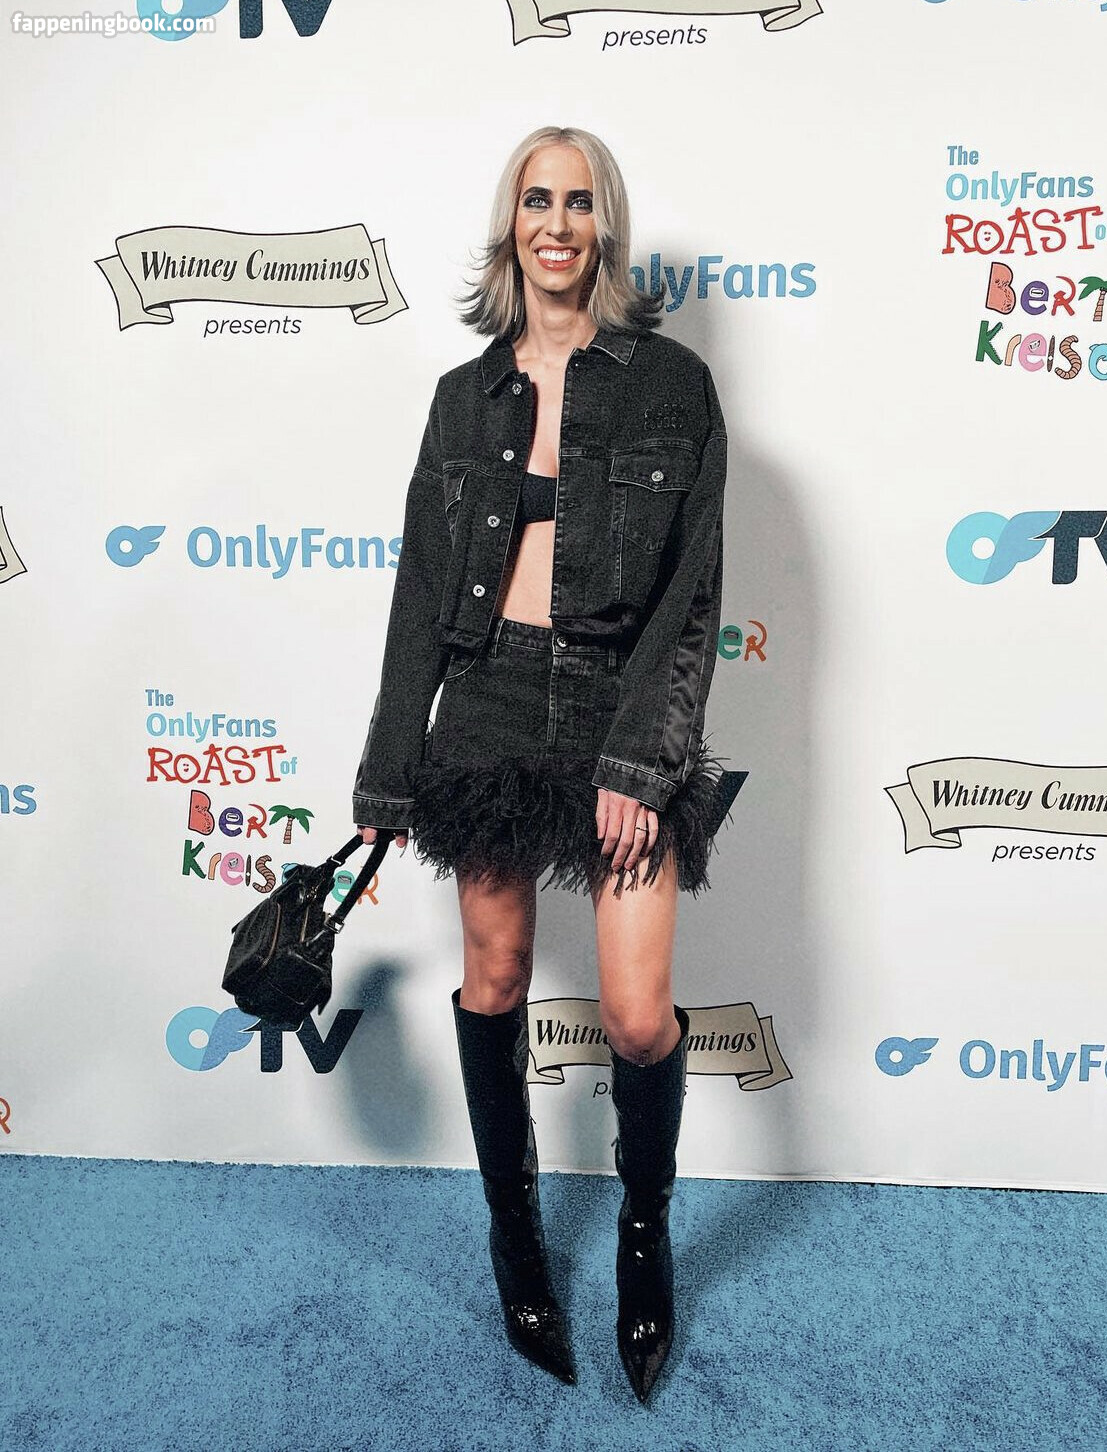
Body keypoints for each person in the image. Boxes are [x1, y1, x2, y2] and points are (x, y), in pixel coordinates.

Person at [353, 124, 730, 1402]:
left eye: (577, 201)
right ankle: (514, 1233)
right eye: (535, 200)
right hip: (490, 705)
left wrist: (641, 760)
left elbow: (690, 594)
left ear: (603, 224)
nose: (555, 223)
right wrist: (388, 775)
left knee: (635, 1014)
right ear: (509, 224)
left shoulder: (671, 385)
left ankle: (642, 1236)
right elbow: (420, 598)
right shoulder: (463, 397)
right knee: (498, 977)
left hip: (621, 708)